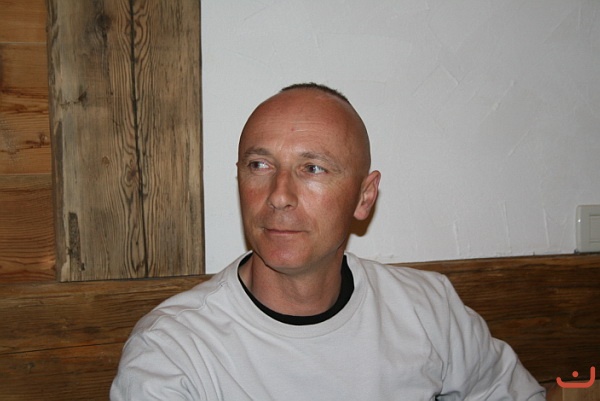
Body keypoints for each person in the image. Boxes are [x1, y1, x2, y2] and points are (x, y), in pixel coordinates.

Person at [111, 83, 545, 400]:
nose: (279, 195)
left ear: (364, 197)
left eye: (313, 168)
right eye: (259, 165)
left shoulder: (428, 309)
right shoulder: (173, 349)